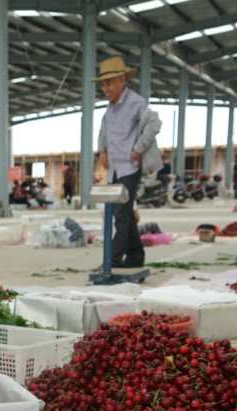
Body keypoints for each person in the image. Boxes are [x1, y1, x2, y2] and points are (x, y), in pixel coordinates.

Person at [95, 55, 162, 269]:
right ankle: (136, 256)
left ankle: (111, 260)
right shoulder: (110, 108)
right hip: (115, 169)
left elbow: (155, 123)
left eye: (109, 83)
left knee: (122, 216)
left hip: (129, 168)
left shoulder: (136, 103)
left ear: (122, 79)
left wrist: (139, 148)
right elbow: (103, 130)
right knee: (122, 214)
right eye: (103, 84)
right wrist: (101, 150)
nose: (105, 88)